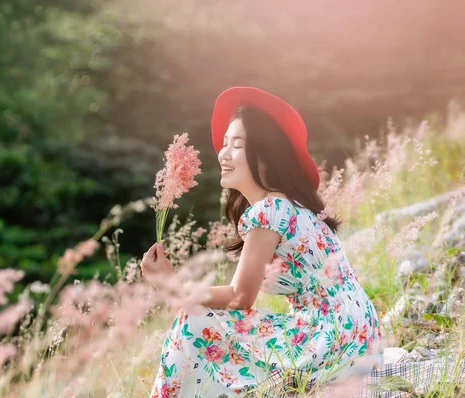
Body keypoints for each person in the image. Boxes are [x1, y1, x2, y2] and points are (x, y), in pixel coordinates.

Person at [141, 87, 383, 397]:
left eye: (238, 145)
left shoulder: (270, 211)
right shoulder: (293, 206)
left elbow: (240, 298)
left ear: (266, 156)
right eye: (225, 143)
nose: (224, 153)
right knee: (208, 321)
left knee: (193, 323)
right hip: (359, 335)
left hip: (331, 341)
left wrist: (170, 285)